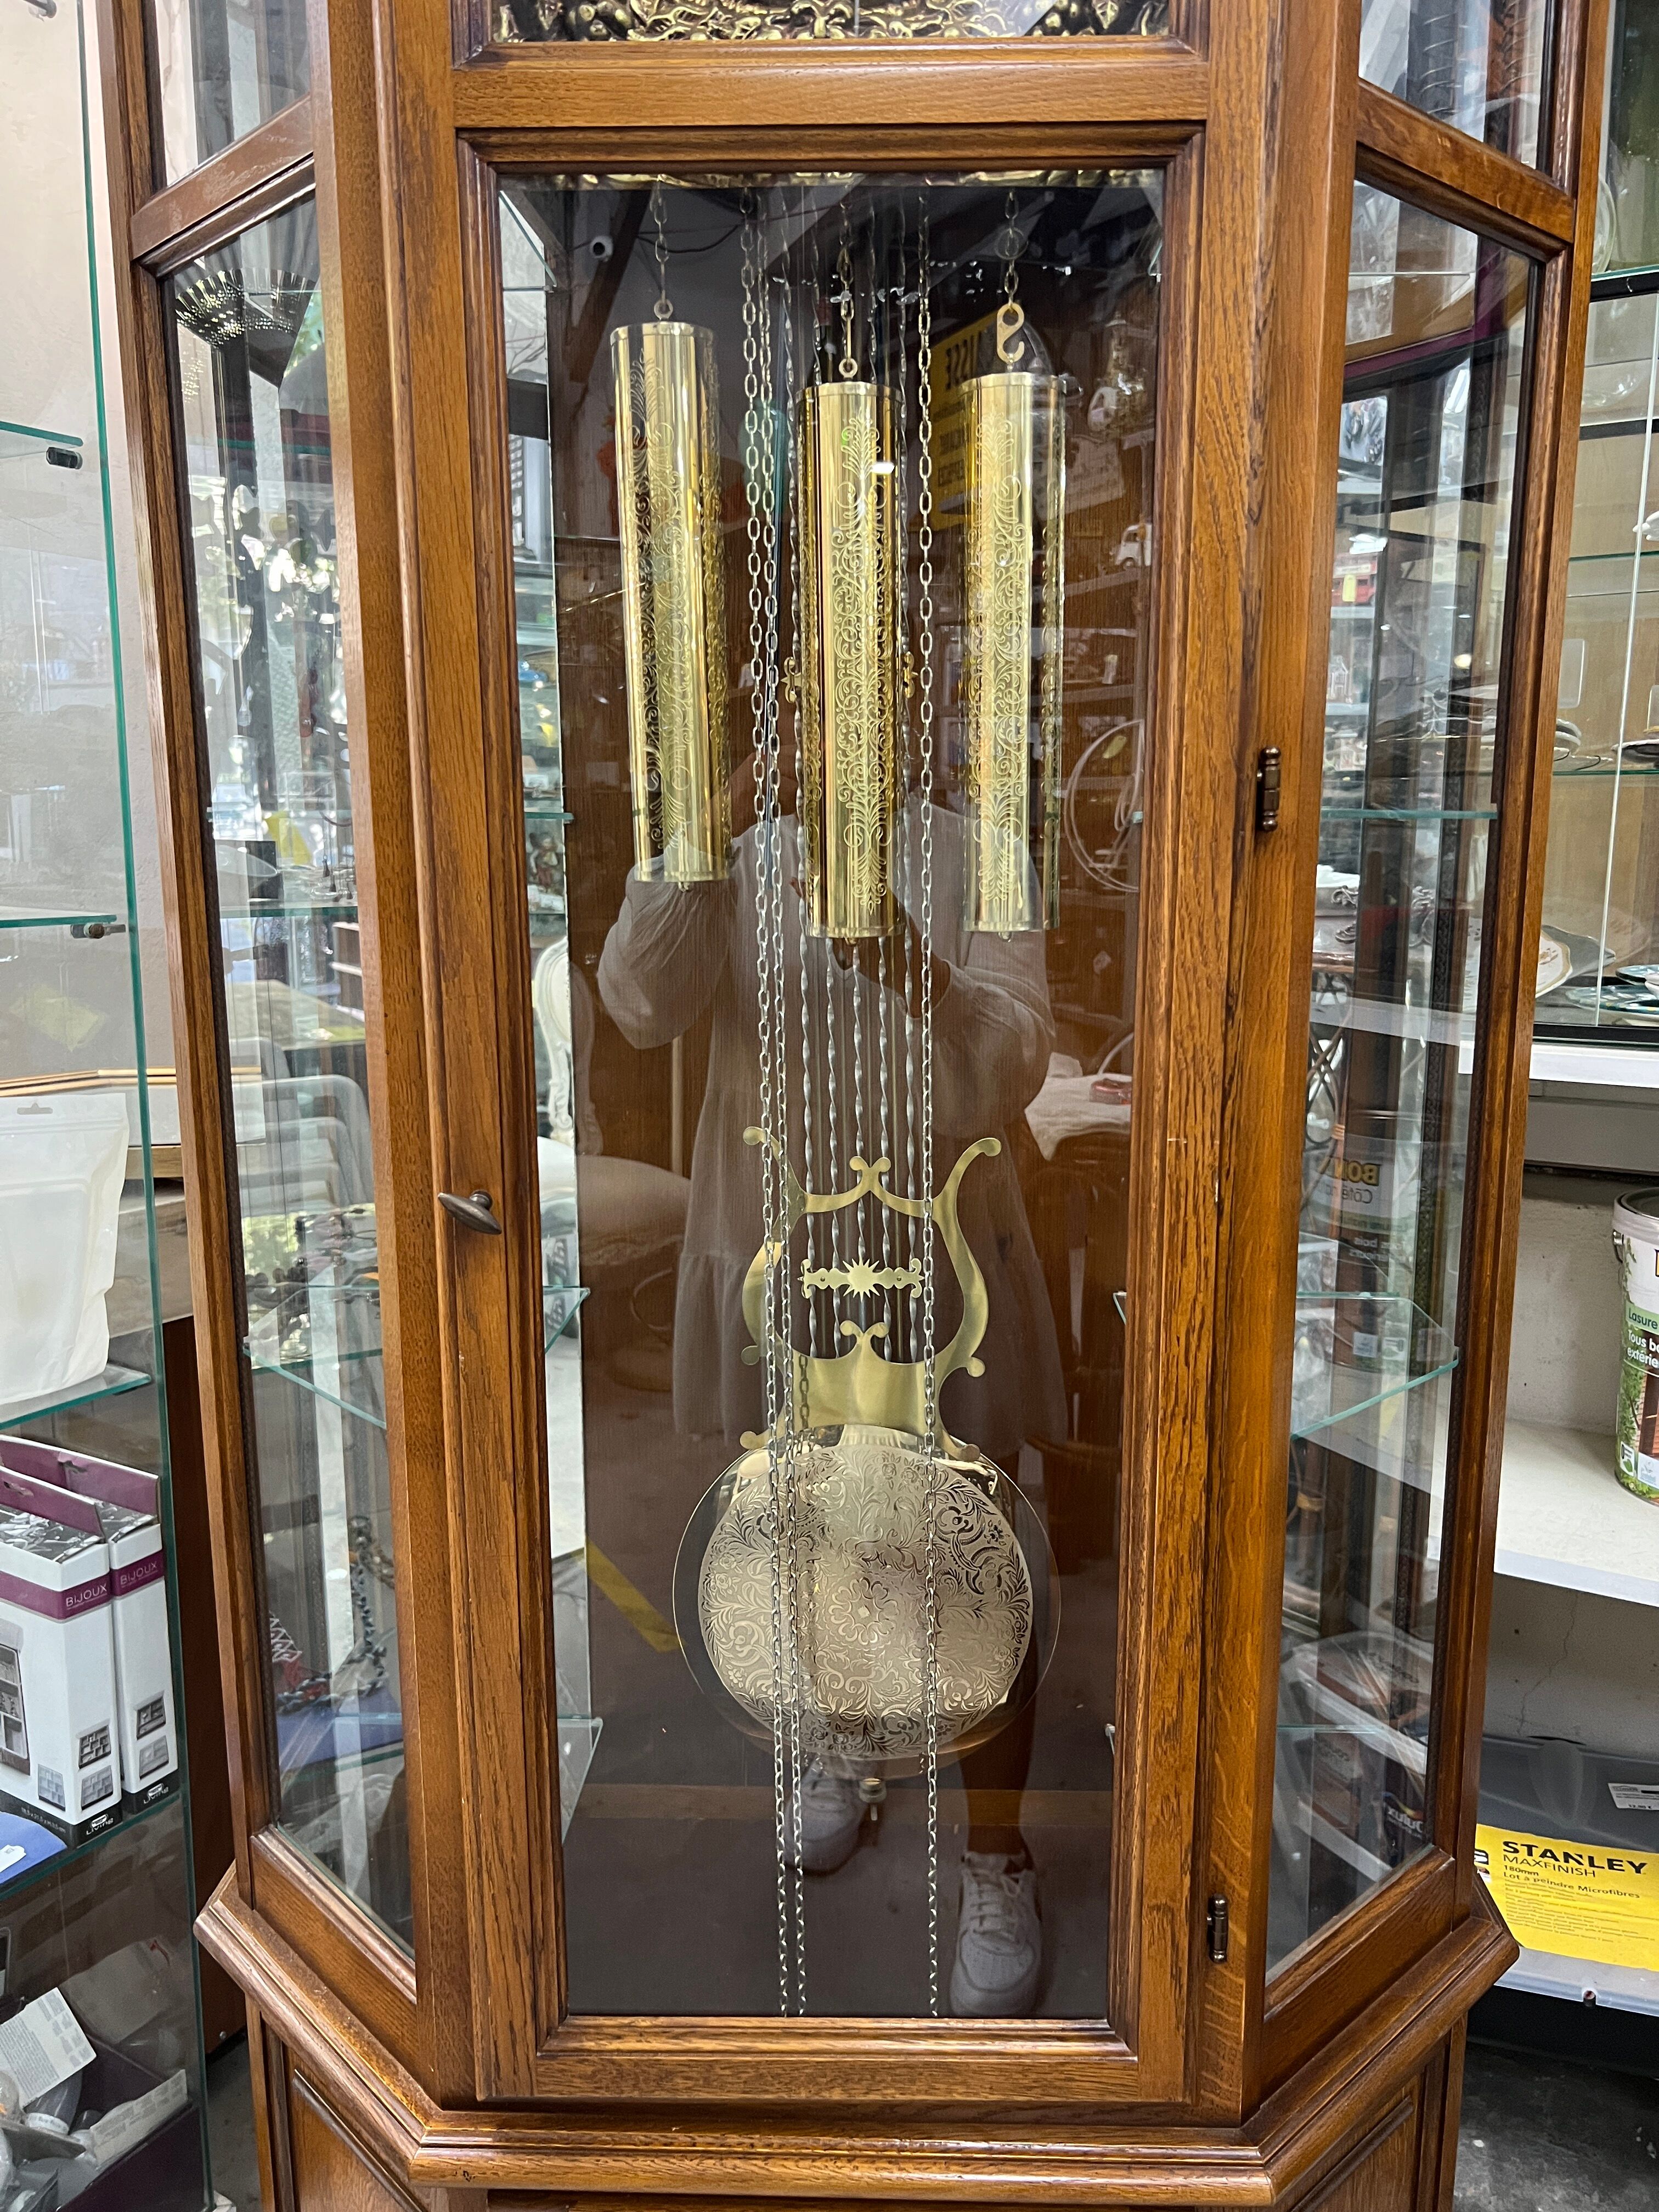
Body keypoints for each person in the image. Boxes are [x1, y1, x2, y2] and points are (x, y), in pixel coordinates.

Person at [598, 755, 1066, 2017]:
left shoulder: (980, 847)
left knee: (976, 1550)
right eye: (794, 683)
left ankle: (997, 1852)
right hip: (779, 1245)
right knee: (800, 1523)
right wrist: (703, 821)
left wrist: (907, 961)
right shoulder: (733, 856)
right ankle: (838, 1750)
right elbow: (640, 1003)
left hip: (946, 1246)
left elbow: (1014, 1060)